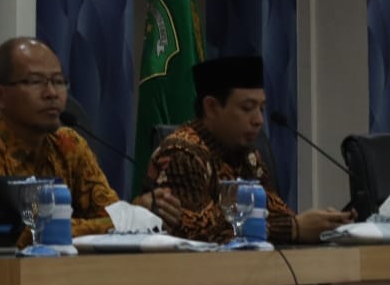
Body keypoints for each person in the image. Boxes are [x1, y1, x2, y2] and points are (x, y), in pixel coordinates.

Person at [0, 37, 181, 241]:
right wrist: (126, 218)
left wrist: (135, 215)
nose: (52, 93)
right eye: (35, 82)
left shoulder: (68, 143)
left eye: (58, 82)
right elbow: (22, 235)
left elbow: (105, 211)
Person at [143, 55, 353, 244]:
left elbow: (275, 213)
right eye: (247, 108)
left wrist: (322, 222)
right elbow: (200, 233)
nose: (259, 120)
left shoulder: (247, 154)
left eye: (261, 108)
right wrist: (294, 228)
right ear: (211, 107)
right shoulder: (181, 154)